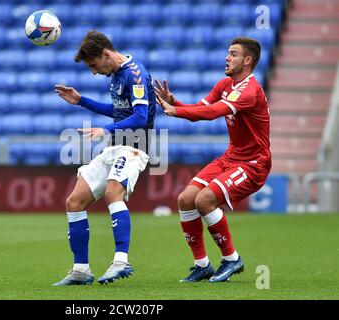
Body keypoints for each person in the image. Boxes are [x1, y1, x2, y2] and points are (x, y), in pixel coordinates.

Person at [155, 37, 271, 283]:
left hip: (253, 164)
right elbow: (200, 109)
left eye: (233, 54)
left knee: (205, 199)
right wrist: (175, 103)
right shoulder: (225, 84)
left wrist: (176, 111)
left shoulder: (249, 90)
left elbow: (213, 113)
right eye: (228, 53)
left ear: (247, 61)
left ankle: (231, 259)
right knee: (186, 199)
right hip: (231, 157)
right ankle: (202, 265)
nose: (227, 58)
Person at [53, 30, 156, 286]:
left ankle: (121, 261)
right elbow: (119, 110)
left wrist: (105, 129)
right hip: (113, 147)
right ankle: (81, 270)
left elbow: (141, 118)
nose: (94, 71)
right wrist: (81, 101)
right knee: (74, 201)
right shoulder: (116, 75)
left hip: (134, 146)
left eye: (94, 65)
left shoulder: (136, 74)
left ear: (106, 54)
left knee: (113, 193)